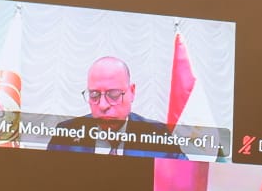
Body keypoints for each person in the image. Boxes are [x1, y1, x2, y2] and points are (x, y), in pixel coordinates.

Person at [46, 56, 187, 159]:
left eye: (113, 95)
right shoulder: (65, 135)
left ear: (132, 92)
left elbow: (186, 184)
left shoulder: (158, 136)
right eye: (94, 95)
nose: (103, 105)